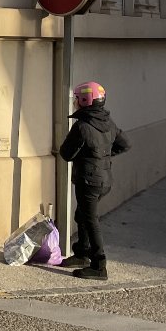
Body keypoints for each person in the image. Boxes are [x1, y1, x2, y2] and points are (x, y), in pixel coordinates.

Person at [58, 81, 129, 281]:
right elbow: (125, 144)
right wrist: (103, 156)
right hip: (104, 179)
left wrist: (91, 156)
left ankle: (99, 266)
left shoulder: (82, 126)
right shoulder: (107, 121)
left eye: (77, 99)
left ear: (84, 100)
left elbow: (66, 153)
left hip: (88, 181)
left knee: (90, 220)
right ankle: (82, 254)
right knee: (82, 215)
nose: (75, 103)